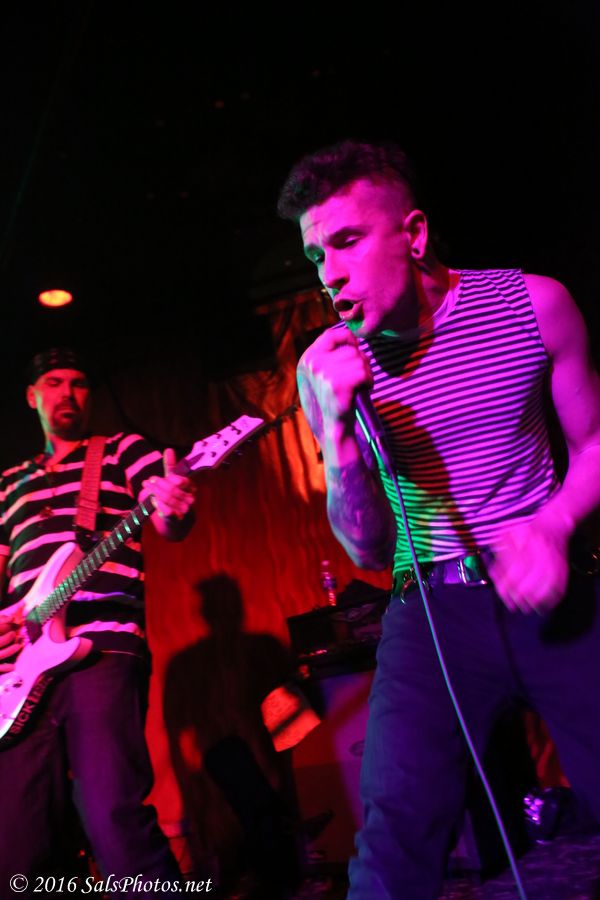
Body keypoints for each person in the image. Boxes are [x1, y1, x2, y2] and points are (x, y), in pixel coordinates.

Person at [278, 140, 600, 898]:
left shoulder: (533, 304)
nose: (329, 274)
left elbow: (592, 444)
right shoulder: (326, 369)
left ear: (414, 234)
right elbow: (365, 547)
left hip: (548, 586)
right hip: (430, 608)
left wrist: (553, 526)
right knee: (393, 840)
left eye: (347, 241)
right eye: (316, 256)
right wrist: (337, 434)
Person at [0, 347, 197, 895]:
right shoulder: (9, 485)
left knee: (112, 813)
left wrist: (175, 504)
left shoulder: (121, 451)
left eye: (79, 383)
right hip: (19, 671)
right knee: (15, 838)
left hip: (103, 647)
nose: (68, 393)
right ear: (32, 397)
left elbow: (168, 518)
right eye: (54, 382)